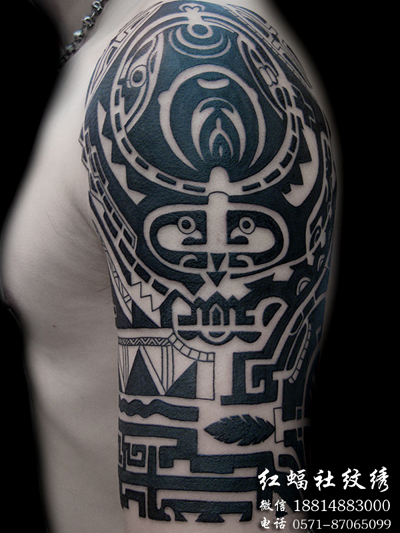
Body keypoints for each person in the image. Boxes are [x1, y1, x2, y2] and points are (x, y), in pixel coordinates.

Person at [1, 1, 340, 531]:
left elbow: (228, 507)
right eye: (186, 229)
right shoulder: (118, 52)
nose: (216, 272)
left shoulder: (197, 57)